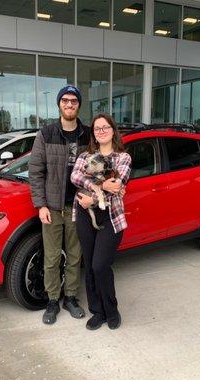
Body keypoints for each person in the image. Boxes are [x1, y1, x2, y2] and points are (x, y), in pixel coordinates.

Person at [28, 85, 90, 325]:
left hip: (78, 207)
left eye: (73, 101)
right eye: (65, 100)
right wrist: (40, 205)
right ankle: (53, 300)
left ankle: (71, 297)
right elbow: (35, 172)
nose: (69, 104)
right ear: (59, 104)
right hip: (52, 208)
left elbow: (96, 167)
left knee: (75, 256)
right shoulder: (46, 134)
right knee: (52, 258)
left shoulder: (87, 135)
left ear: (78, 105)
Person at [71, 113, 132, 330]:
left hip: (111, 217)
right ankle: (97, 311)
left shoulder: (123, 158)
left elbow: (118, 185)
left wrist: (93, 198)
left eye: (105, 127)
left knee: (100, 265)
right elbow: (75, 177)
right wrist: (103, 186)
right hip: (84, 217)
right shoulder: (85, 155)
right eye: (97, 128)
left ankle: (111, 310)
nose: (101, 131)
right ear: (94, 134)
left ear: (113, 130)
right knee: (89, 266)